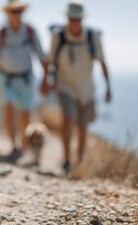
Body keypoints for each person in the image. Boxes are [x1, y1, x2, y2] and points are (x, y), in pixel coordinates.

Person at [41, 1, 111, 175]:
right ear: (68, 18)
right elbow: (49, 60)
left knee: (83, 125)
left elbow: (103, 62)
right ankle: (66, 160)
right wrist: (45, 81)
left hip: (86, 89)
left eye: (78, 19)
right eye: (72, 18)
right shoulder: (59, 36)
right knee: (68, 119)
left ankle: (79, 160)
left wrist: (109, 87)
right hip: (65, 86)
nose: (75, 22)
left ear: (82, 19)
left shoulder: (92, 37)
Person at [0, 0, 46, 155]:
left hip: (26, 78)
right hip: (5, 78)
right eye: (13, 11)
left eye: (19, 11)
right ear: (8, 13)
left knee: (25, 113)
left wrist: (47, 78)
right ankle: (13, 145)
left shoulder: (30, 31)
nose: (16, 14)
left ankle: (23, 145)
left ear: (23, 12)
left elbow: (41, 55)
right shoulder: (1, 33)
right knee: (9, 109)